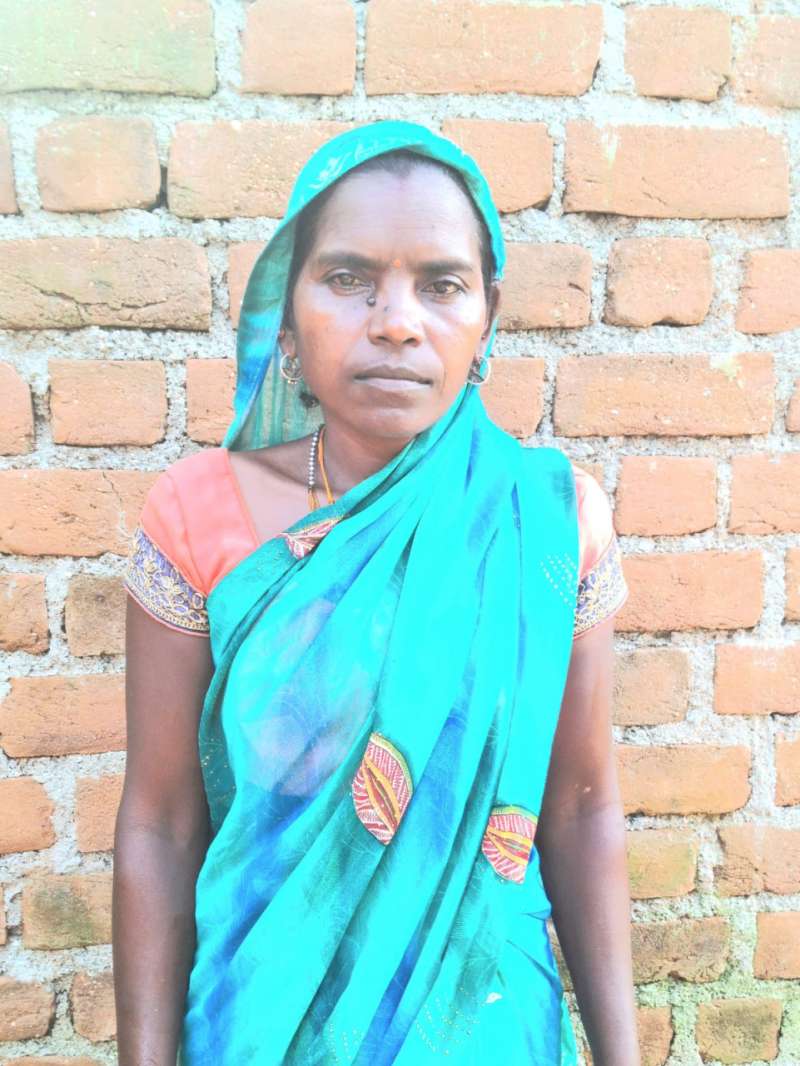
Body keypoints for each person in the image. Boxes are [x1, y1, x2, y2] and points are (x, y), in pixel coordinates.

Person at [113, 121, 638, 1066]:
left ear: (487, 317)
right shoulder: (199, 515)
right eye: (349, 278)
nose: (397, 320)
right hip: (261, 1022)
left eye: (442, 285)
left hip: (484, 1025)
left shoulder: (548, 520)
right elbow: (161, 823)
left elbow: (580, 808)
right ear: (287, 311)